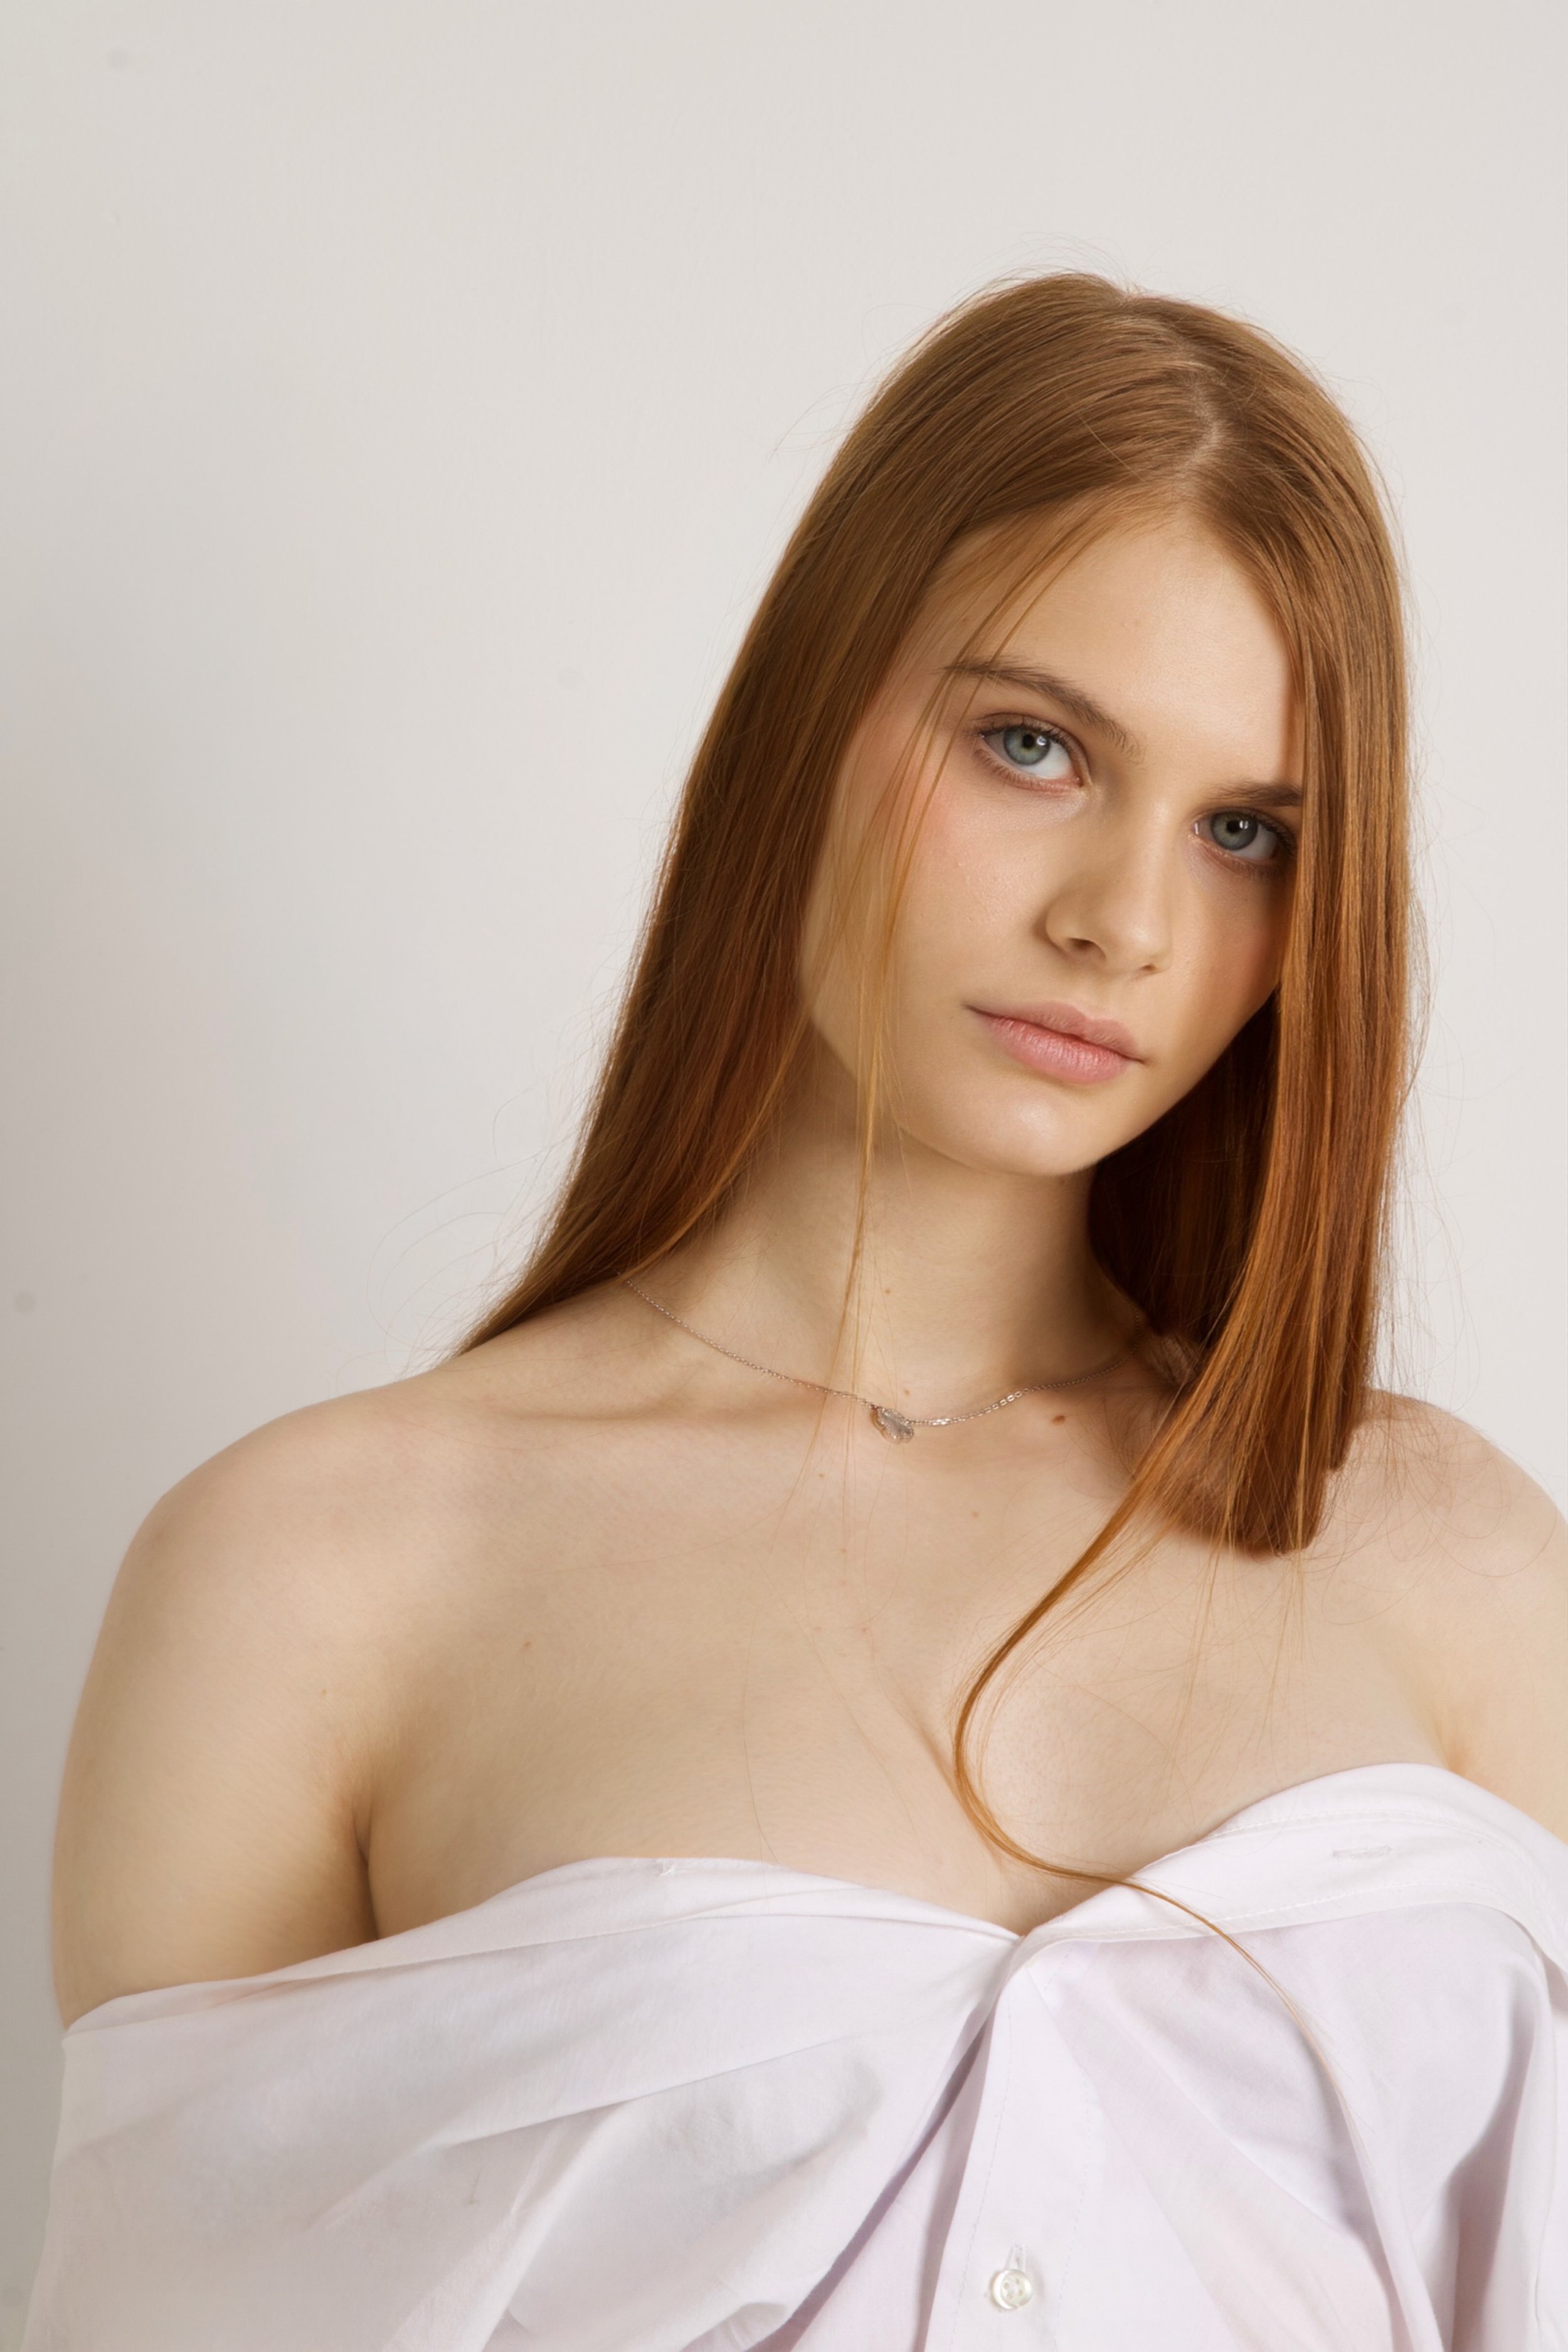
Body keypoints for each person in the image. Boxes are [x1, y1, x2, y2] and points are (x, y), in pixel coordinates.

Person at [27, 275, 1567, 2350]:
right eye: (1031, 745)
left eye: (1244, 833)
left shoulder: (1454, 1566)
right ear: (806, 718)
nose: (1120, 919)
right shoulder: (312, 1583)